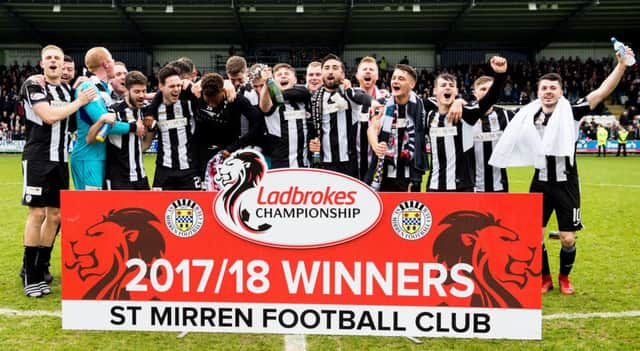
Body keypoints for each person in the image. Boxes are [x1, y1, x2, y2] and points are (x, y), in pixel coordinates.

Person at [490, 46, 635, 295]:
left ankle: (564, 277)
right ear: (537, 92)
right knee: (533, 235)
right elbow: (490, 107)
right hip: (540, 181)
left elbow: (601, 92)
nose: (548, 92)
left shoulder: (572, 111)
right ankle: (544, 278)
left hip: (567, 182)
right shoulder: (528, 114)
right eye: (544, 88)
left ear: (561, 91)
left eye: (552, 88)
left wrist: (621, 65)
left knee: (568, 238)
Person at [19, 45, 96, 297]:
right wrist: (80, 101)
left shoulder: (65, 89)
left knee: (55, 216)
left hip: (60, 159)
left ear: (63, 66)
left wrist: (83, 90)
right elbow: (49, 116)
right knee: (37, 213)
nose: (53, 61)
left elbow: (73, 120)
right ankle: (29, 275)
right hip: (38, 158)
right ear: (42, 64)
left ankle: (41, 271)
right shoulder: (33, 85)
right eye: (48, 58)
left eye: (57, 58)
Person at [425, 56, 507, 192]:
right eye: (443, 85)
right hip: (434, 186)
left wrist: (500, 74)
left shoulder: (467, 114)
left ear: (456, 92)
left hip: (462, 188)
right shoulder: (429, 115)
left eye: (451, 86)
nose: (447, 88)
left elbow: (490, 98)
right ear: (434, 91)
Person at [71, 47, 144, 190]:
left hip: (100, 156)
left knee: (100, 208)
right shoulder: (88, 87)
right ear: (106, 64)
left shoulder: (105, 89)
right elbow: (106, 122)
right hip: (88, 156)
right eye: (112, 60)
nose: (114, 63)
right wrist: (134, 127)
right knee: (90, 208)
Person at [87, 71, 154, 190]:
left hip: (141, 177)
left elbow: (147, 141)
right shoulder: (114, 111)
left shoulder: (145, 111)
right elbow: (91, 138)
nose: (141, 95)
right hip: (118, 179)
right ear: (127, 91)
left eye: (144, 91)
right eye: (137, 91)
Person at [308, 54, 372, 177]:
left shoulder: (349, 95)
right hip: (324, 162)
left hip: (348, 162)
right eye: (326, 68)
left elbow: (362, 97)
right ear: (322, 73)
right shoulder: (314, 99)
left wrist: (373, 102)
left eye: (335, 68)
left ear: (342, 74)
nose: (330, 71)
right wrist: (313, 142)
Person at [366, 64, 426, 192]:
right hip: (384, 171)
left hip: (410, 172)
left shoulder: (422, 106)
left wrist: (459, 102)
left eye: (401, 79)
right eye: (394, 78)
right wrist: (375, 145)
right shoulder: (383, 104)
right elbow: (372, 128)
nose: (395, 81)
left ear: (412, 84)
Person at [259, 63, 311, 168]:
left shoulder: (303, 100)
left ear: (295, 80)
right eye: (279, 74)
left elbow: (306, 91)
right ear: (274, 80)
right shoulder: (271, 102)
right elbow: (264, 106)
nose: (283, 76)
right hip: (281, 166)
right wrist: (267, 83)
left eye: (287, 73)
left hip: (304, 165)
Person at [471, 76, 515, 192]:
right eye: (483, 89)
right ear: (475, 93)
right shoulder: (465, 116)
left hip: (500, 185)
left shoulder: (506, 115)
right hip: (472, 187)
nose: (487, 93)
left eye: (490, 89)